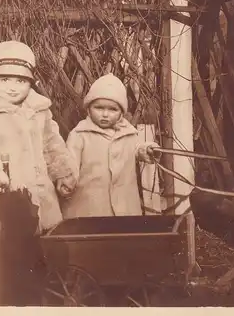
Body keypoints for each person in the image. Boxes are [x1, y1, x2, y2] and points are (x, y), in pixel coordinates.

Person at [0, 40, 78, 305]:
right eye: (5, 79)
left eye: (21, 81)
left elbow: (51, 143)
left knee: (43, 250)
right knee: (9, 253)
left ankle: (41, 298)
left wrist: (63, 172)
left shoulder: (39, 110)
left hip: (40, 193)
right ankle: (11, 300)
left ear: (31, 83)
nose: (12, 87)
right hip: (7, 197)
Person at [61, 73, 160, 219]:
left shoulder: (129, 134)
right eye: (99, 108)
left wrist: (147, 150)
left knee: (120, 240)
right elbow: (70, 164)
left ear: (121, 112)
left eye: (113, 109)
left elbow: (138, 149)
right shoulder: (79, 135)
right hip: (89, 208)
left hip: (124, 208)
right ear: (88, 109)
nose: (105, 114)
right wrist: (67, 181)